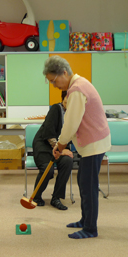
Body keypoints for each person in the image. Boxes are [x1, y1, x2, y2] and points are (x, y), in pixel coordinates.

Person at [43, 55, 111, 239]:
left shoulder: (77, 90)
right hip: (93, 143)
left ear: (64, 72)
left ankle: (90, 229)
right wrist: (61, 144)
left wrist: (60, 145)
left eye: (54, 80)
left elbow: (71, 124)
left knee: (88, 187)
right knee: (84, 183)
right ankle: (85, 220)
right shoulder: (78, 84)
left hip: (94, 144)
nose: (54, 85)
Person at [32, 91, 73, 210]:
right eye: (67, 99)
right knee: (48, 170)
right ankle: (36, 196)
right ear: (63, 99)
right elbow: (48, 132)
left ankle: (56, 198)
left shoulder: (73, 114)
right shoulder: (56, 108)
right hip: (44, 145)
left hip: (60, 148)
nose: (69, 103)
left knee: (68, 162)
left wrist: (62, 150)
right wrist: (60, 149)